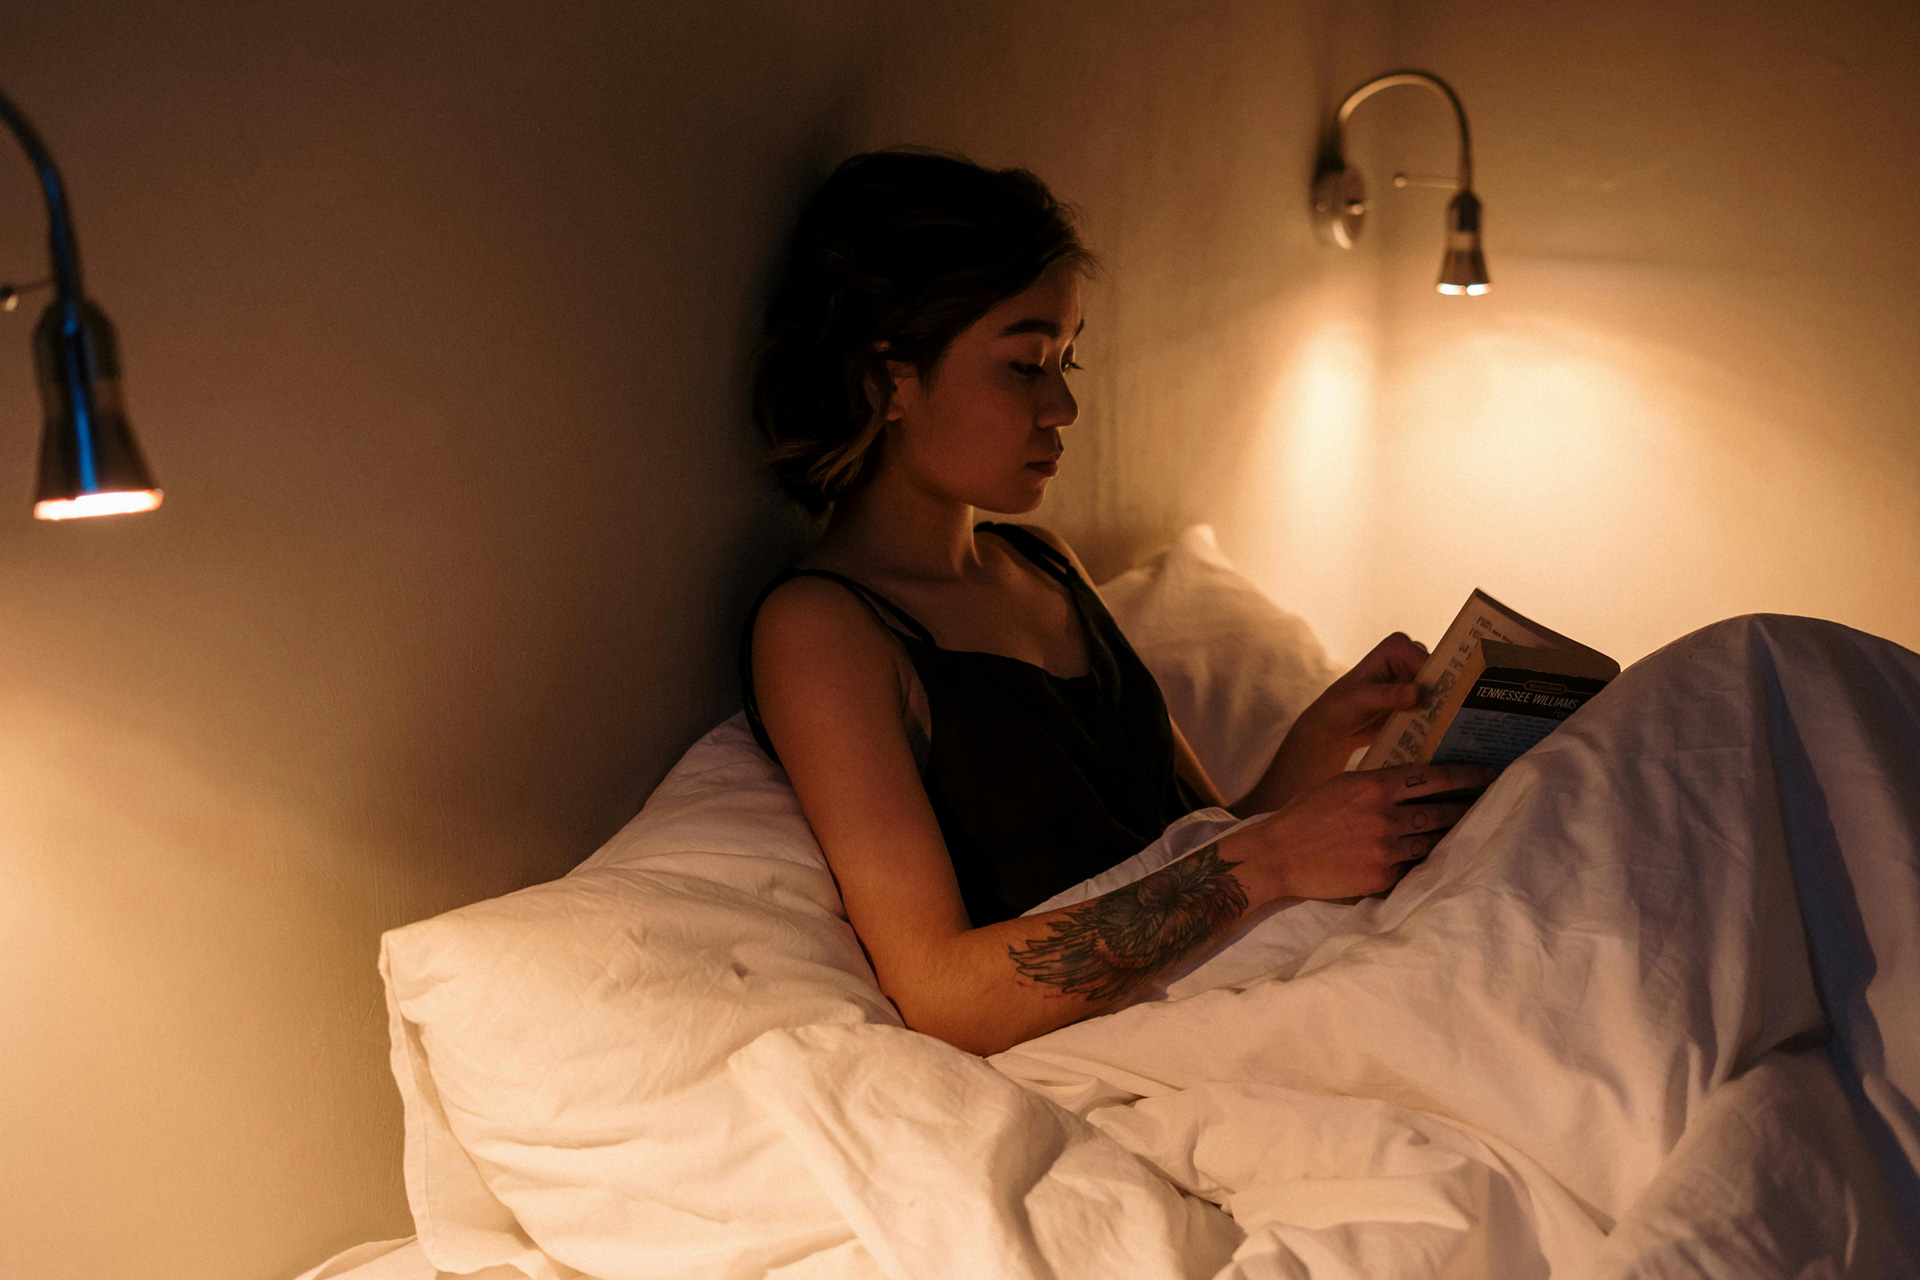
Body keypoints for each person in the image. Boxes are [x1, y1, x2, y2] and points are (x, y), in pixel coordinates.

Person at [741, 150, 1492, 1056]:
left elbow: (1198, 844)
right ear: (887, 380)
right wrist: (1280, 857)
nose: (1062, 405)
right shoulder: (824, 630)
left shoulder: (1043, 564)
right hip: (1120, 1031)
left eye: (1069, 359)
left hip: (1236, 967)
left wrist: (1327, 735)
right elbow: (940, 991)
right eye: (1025, 365)